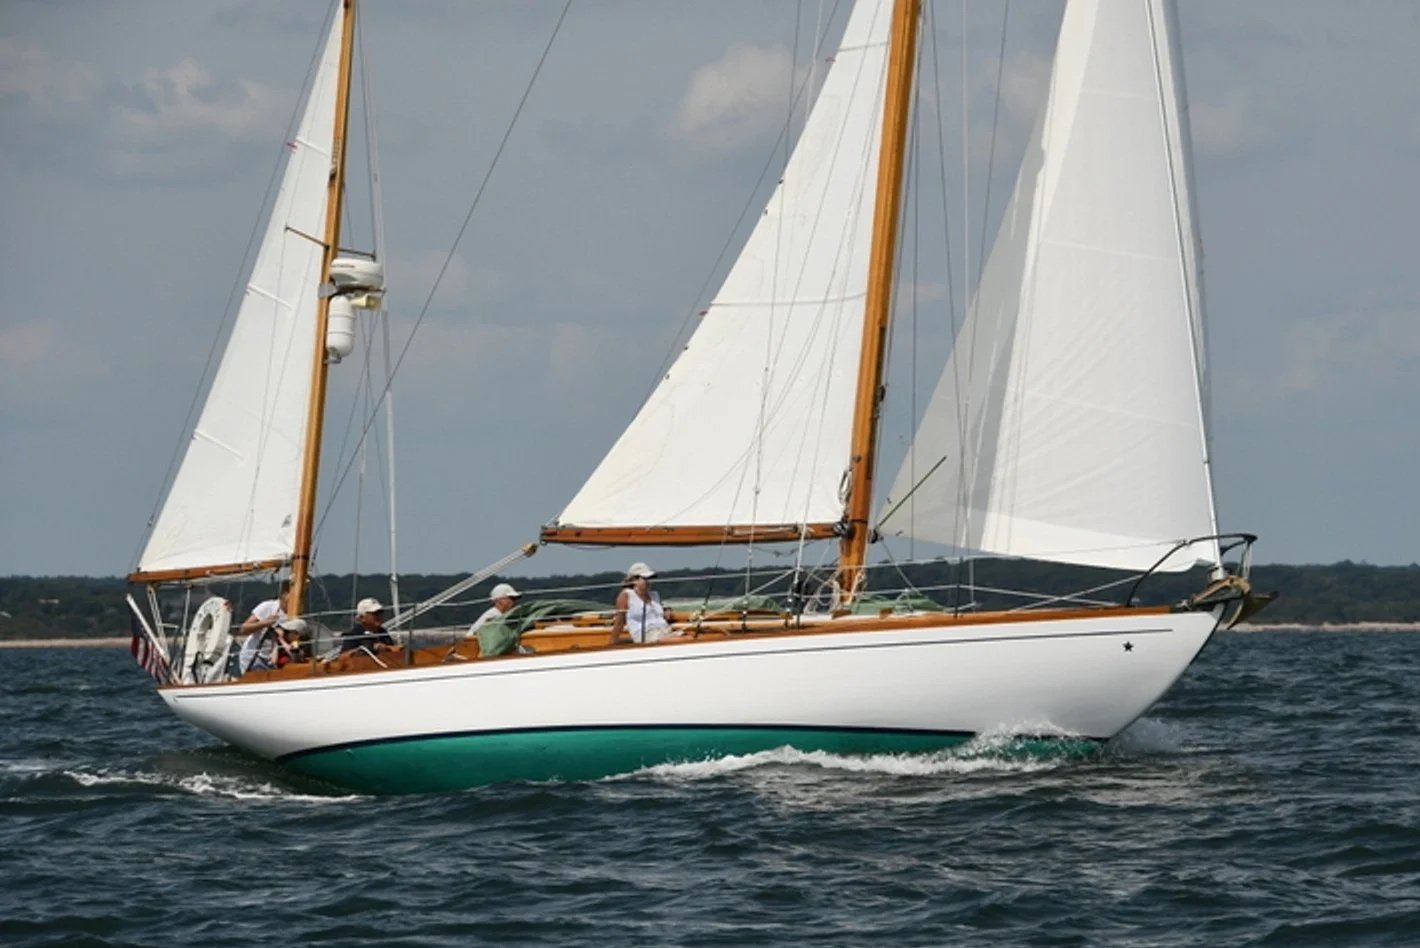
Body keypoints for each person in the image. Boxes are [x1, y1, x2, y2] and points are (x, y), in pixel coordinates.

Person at [611, 562, 681, 645]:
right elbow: (620, 621)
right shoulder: (626, 595)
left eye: (650, 579)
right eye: (645, 578)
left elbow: (659, 613)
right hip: (647, 635)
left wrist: (666, 611)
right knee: (684, 640)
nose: (649, 582)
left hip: (664, 631)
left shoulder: (654, 595)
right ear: (634, 580)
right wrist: (612, 642)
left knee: (693, 637)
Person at [238, 581, 292, 673]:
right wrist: (264, 623)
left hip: (272, 660)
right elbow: (243, 629)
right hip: (253, 657)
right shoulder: (267, 607)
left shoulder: (295, 612)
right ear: (283, 594)